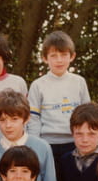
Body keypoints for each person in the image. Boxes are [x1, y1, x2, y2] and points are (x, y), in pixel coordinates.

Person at [27, 30, 91, 167]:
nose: (59, 60)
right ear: (45, 58)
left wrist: (85, 140)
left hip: (75, 143)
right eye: (53, 55)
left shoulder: (79, 82)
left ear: (72, 56)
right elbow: (33, 119)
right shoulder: (38, 85)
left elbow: (87, 115)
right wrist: (34, 146)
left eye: (64, 55)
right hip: (47, 144)